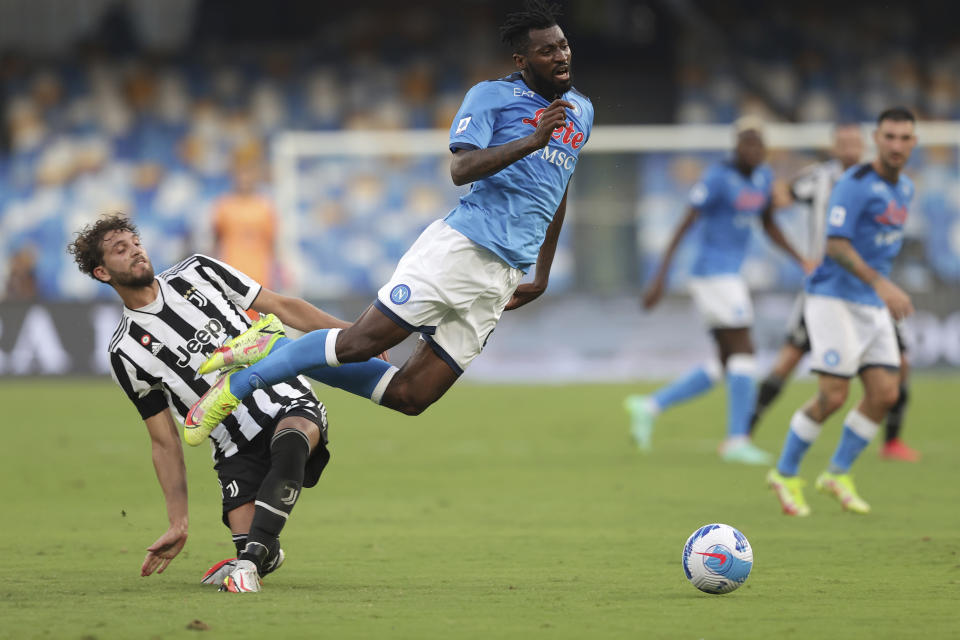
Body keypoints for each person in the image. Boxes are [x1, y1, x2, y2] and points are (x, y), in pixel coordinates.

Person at [183, 0, 594, 442]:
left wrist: (543, 274)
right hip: (464, 249)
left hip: (504, 274)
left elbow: (558, 188)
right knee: (362, 343)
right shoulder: (491, 96)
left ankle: (276, 347)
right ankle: (237, 385)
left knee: (411, 396)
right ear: (522, 60)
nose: (562, 56)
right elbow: (461, 169)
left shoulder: (581, 112)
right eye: (548, 50)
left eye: (564, 46)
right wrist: (533, 139)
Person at [66, 214, 396, 592]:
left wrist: (356, 337)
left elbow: (282, 306)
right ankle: (258, 556)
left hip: (283, 398)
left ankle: (246, 567)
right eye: (120, 250)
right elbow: (164, 440)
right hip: (232, 444)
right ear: (103, 273)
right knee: (259, 546)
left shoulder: (198, 271)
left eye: (135, 242)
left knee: (293, 437)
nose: (135, 251)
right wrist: (178, 521)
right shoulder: (125, 352)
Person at [625, 116, 814, 465]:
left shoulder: (763, 178)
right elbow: (685, 224)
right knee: (745, 350)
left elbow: (768, 223)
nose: (754, 151)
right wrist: (660, 277)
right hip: (711, 274)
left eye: (759, 145)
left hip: (729, 275)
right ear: (736, 146)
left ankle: (649, 406)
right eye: (747, 144)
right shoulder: (717, 178)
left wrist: (801, 259)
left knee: (727, 362)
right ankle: (736, 440)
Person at [766, 107, 917, 516]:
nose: (897, 145)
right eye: (890, 137)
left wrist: (879, 288)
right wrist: (882, 284)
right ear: (877, 139)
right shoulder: (855, 183)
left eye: (905, 138)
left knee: (886, 393)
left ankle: (837, 473)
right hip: (832, 298)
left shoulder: (905, 190)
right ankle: (785, 472)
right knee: (834, 396)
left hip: (870, 304)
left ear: (913, 142)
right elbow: (836, 245)